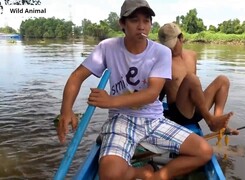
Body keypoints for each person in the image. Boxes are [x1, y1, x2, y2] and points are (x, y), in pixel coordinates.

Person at [57, 1, 214, 179]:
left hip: (153, 120)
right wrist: (66, 110)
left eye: (146, 21)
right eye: (134, 20)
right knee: (109, 175)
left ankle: (156, 176)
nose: (141, 26)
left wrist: (111, 101)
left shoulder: (161, 52)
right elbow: (76, 77)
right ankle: (140, 171)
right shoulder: (107, 47)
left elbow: (152, 94)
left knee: (204, 151)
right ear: (122, 24)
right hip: (121, 119)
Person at [158, 23, 239, 135]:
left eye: (172, 44)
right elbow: (157, 92)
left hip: (197, 110)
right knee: (192, 79)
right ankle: (210, 121)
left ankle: (218, 122)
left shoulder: (192, 55)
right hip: (179, 114)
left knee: (223, 80)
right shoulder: (162, 62)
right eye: (166, 46)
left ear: (181, 38)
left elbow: (195, 89)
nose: (169, 49)